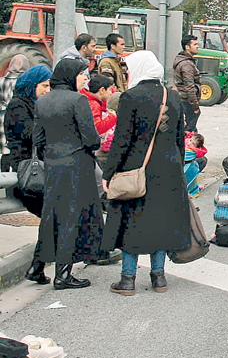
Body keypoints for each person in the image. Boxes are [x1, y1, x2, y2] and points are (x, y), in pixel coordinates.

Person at [101, 52, 190, 295]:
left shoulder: (130, 97)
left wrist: (108, 174)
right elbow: (179, 137)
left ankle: (128, 278)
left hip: (136, 167)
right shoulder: (171, 95)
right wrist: (178, 166)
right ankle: (159, 276)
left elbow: (121, 140)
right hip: (169, 168)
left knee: (132, 220)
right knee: (161, 220)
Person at [34, 59, 106, 290]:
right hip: (77, 164)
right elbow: (91, 138)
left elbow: (38, 139)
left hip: (53, 164)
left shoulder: (42, 100)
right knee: (71, 218)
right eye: (81, 74)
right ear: (71, 76)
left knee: (51, 216)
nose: (85, 78)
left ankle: (37, 267)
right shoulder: (78, 100)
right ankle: (63, 274)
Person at [5, 66, 52, 284]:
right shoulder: (18, 106)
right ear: (31, 86)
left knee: (52, 219)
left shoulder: (33, 105)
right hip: (25, 170)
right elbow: (31, 135)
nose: (47, 90)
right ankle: (38, 266)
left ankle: (38, 266)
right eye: (43, 86)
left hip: (34, 169)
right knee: (52, 218)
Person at [0, 54, 29, 158]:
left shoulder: (2, 80)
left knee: (3, 146)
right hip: (16, 115)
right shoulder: (23, 81)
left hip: (2, 114)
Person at [81, 74, 118, 150]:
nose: (111, 93)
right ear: (102, 90)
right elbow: (97, 128)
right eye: (109, 89)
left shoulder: (86, 100)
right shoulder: (94, 105)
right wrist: (112, 117)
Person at [173, 35, 201, 133]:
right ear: (187, 47)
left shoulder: (186, 62)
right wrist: (195, 106)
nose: (197, 46)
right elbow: (189, 86)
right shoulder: (186, 64)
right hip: (187, 101)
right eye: (195, 44)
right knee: (189, 131)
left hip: (184, 99)